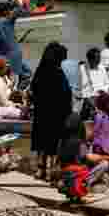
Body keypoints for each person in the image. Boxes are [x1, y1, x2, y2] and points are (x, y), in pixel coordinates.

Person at [30, 42, 72, 180]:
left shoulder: (40, 70)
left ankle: (40, 169)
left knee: (41, 141)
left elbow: (33, 89)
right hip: (56, 114)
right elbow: (66, 94)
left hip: (41, 112)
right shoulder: (58, 73)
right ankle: (50, 172)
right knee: (53, 143)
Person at [56, 113, 109, 201]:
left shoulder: (62, 141)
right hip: (77, 173)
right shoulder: (79, 142)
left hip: (65, 172)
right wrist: (105, 157)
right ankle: (85, 185)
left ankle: (75, 189)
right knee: (105, 164)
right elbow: (89, 157)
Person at [0, 1, 31, 90]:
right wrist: (16, 2)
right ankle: (17, 92)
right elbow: (19, 10)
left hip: (0, 56)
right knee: (23, 75)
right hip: (13, 56)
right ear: (5, 12)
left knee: (6, 79)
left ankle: (11, 93)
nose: (10, 12)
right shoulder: (7, 21)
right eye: (8, 10)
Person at [88, 92, 109, 159]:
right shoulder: (106, 117)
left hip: (100, 147)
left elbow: (95, 132)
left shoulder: (99, 116)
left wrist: (89, 138)